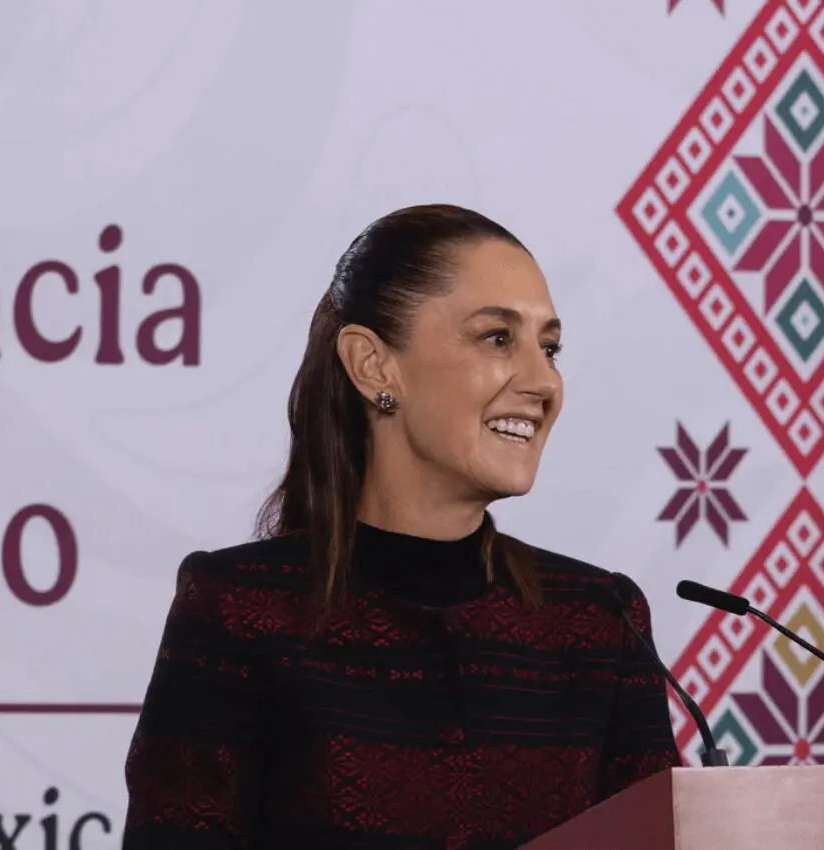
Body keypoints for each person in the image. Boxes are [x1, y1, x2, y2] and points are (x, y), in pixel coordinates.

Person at [120, 204, 681, 849]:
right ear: (373, 366)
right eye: (498, 338)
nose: (543, 381)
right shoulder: (240, 608)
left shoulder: (601, 620)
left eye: (549, 347)